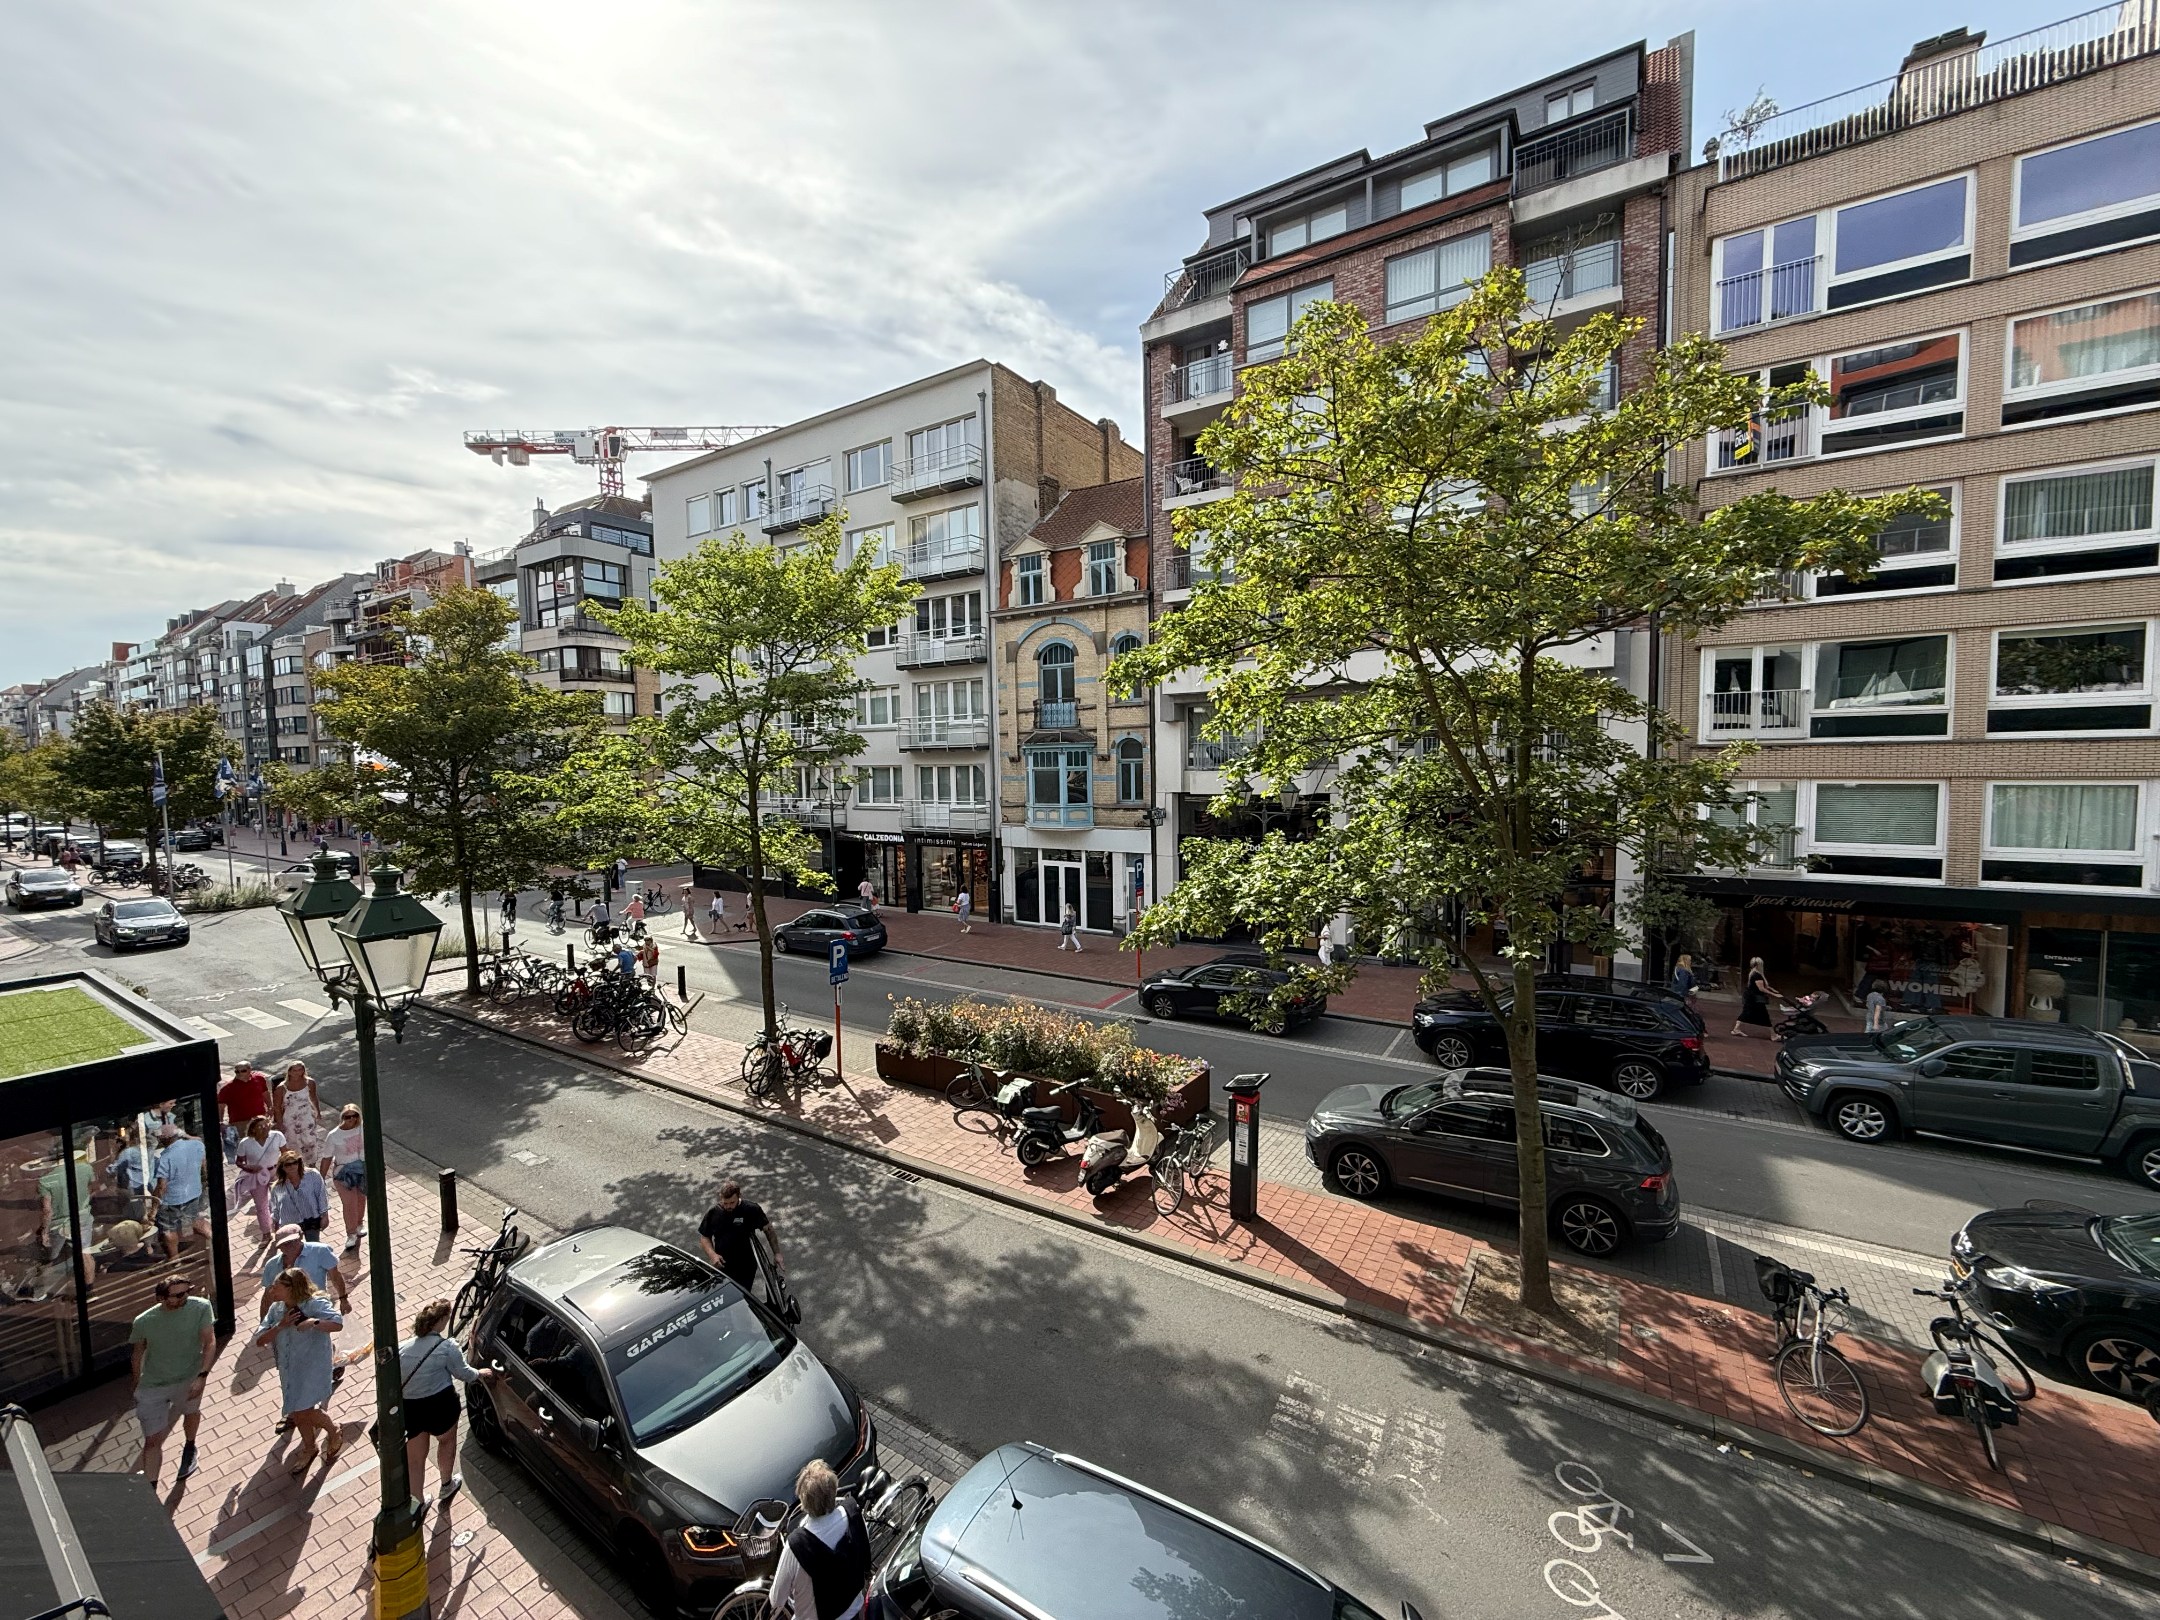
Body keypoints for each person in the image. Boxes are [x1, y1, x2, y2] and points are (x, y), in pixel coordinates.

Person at [397, 1297, 499, 1507]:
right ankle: (446, 1483)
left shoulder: (402, 1349)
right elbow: (463, 1373)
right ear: (442, 1320)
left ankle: (417, 1501)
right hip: (440, 1405)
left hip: (412, 1408)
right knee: (446, 1442)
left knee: (415, 1458)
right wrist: (480, 1373)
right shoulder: (447, 1346)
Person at [254, 1268, 343, 1476]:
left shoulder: (314, 1304)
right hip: (289, 1369)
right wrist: (281, 1325)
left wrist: (313, 1322)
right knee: (296, 1410)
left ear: (291, 1288)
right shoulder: (276, 1310)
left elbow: (337, 1324)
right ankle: (310, 1446)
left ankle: (333, 1429)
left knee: (302, 1409)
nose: (271, 1290)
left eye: (277, 1286)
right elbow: (260, 1340)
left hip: (312, 1367)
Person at [131, 1275, 216, 1486]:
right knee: (151, 1441)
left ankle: (190, 1445)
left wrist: (202, 1376)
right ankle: (152, 1486)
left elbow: (209, 1342)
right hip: (153, 1385)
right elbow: (137, 1354)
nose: (185, 1297)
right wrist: (137, 1385)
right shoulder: (144, 1321)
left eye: (188, 1291)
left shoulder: (201, 1307)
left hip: (189, 1378)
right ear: (161, 1298)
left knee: (191, 1412)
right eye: (178, 1295)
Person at [770, 1459, 871, 1620]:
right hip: (854, 1613)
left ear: (804, 1501)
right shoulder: (854, 1516)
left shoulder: (796, 1546)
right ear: (834, 1491)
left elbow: (776, 1600)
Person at [697, 1181, 778, 1293]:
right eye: (725, 1203)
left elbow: (769, 1230)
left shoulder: (751, 1209)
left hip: (746, 1265)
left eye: (732, 1202)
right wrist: (712, 1255)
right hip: (723, 1265)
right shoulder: (714, 1213)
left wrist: (777, 1253)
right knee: (725, 1296)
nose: (728, 1206)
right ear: (721, 1197)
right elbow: (705, 1237)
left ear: (739, 1196)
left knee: (742, 1294)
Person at [259, 1224, 350, 1320]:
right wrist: (263, 1325)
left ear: (301, 1236)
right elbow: (267, 1296)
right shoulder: (271, 1265)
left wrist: (343, 1300)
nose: (288, 1247)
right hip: (285, 1317)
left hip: (316, 1311)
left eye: (291, 1242)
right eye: (283, 1244)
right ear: (279, 1247)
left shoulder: (321, 1251)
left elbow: (335, 1277)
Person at [149, 1122, 210, 1261]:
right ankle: (213, 1240)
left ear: (166, 1139)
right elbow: (204, 1167)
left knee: (168, 1229)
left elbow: (161, 1187)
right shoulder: (197, 1145)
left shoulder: (164, 1158)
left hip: (172, 1200)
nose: (159, 1140)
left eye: (160, 1138)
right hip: (194, 1192)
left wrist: (153, 1210)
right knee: (195, 1220)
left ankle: (175, 1260)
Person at [39, 1147, 97, 1288]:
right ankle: (89, 1290)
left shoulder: (45, 1180)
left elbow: (47, 1211)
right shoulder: (86, 1169)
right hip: (82, 1218)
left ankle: (42, 1286)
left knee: (50, 1254)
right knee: (85, 1253)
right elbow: (92, 1189)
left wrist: (44, 1231)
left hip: (59, 1223)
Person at [230, 1114, 287, 1243]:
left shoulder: (277, 1136)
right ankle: (266, 1233)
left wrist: (285, 1168)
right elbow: (239, 1162)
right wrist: (249, 1168)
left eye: (266, 1125)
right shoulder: (245, 1143)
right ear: (253, 1129)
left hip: (275, 1172)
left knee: (279, 1201)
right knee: (261, 1206)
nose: (264, 1128)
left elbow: (286, 1153)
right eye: (260, 1126)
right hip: (257, 1176)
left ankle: (279, 1228)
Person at [320, 1103, 367, 1251]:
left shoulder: (363, 1129)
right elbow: (327, 1157)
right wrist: (320, 1177)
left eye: (355, 1116)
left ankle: (359, 1223)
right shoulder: (334, 1136)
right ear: (342, 1117)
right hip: (343, 1173)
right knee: (349, 1203)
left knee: (361, 1199)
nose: (351, 1119)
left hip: (361, 1170)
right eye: (347, 1116)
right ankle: (351, 1233)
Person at [269, 1150, 331, 1241]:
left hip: (311, 1219)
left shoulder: (313, 1175)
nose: (292, 1166)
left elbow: (321, 1196)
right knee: (295, 1251)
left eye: (294, 1162)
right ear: (282, 1167)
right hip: (290, 1224)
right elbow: (276, 1208)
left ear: (299, 1163)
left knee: (313, 1247)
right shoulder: (277, 1187)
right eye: (287, 1164)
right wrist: (274, 1223)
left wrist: (325, 1215)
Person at [218, 1060, 272, 1157]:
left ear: (250, 1070)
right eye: (237, 1071)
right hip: (240, 1122)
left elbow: (265, 1094)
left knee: (264, 1144)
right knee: (247, 1149)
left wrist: (270, 1107)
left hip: (259, 1119)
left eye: (243, 1071)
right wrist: (221, 1122)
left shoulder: (259, 1079)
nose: (239, 1074)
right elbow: (221, 1107)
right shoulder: (227, 1088)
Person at [278, 1061, 324, 1167]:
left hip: (307, 1116)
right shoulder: (282, 1088)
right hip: (290, 1119)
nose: (297, 1073)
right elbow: (277, 1107)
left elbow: (313, 1097)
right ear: (289, 1072)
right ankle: (296, 1164)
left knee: (310, 1141)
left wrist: (318, 1111)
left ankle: (312, 1163)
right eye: (294, 1070)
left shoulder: (310, 1083)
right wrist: (280, 1123)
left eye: (300, 1070)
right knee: (293, 1141)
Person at [1732, 955, 1779, 1040]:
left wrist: (1772, 989)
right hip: (1755, 998)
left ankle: (1736, 1028)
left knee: (1746, 1012)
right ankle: (1773, 1035)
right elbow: (1761, 988)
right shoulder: (1757, 975)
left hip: (1751, 997)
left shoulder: (1753, 973)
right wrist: (1773, 994)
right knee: (1764, 1015)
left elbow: (1763, 986)